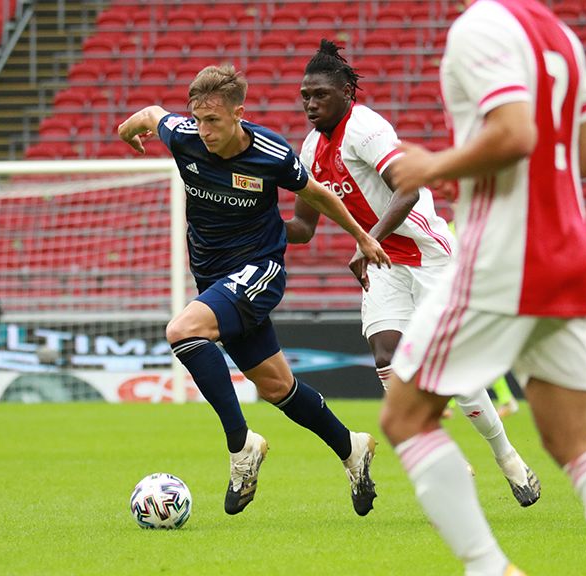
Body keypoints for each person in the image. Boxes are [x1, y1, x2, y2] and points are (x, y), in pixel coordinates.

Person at [380, 1, 586, 574]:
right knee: (572, 439)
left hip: (505, 255)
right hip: (568, 253)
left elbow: (514, 133)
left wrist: (435, 167)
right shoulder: (559, 35)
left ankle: (490, 567)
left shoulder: (479, 28)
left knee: (404, 416)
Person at [116, 64, 392, 517]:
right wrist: (128, 130)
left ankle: (241, 445)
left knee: (183, 330)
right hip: (214, 278)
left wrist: (362, 237)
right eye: (198, 119)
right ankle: (351, 446)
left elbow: (318, 194)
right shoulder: (184, 136)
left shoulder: (271, 153)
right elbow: (151, 114)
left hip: (258, 270)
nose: (204, 130)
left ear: (238, 114)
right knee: (277, 386)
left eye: (213, 120)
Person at [285, 39, 540, 507]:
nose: (311, 104)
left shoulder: (366, 128)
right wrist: (250, 224)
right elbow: (302, 227)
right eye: (305, 96)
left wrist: (368, 240)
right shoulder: (311, 148)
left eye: (320, 94)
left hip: (428, 255)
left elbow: (408, 189)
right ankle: (441, 452)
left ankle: (506, 456)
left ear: (346, 92)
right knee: (386, 354)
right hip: (382, 260)